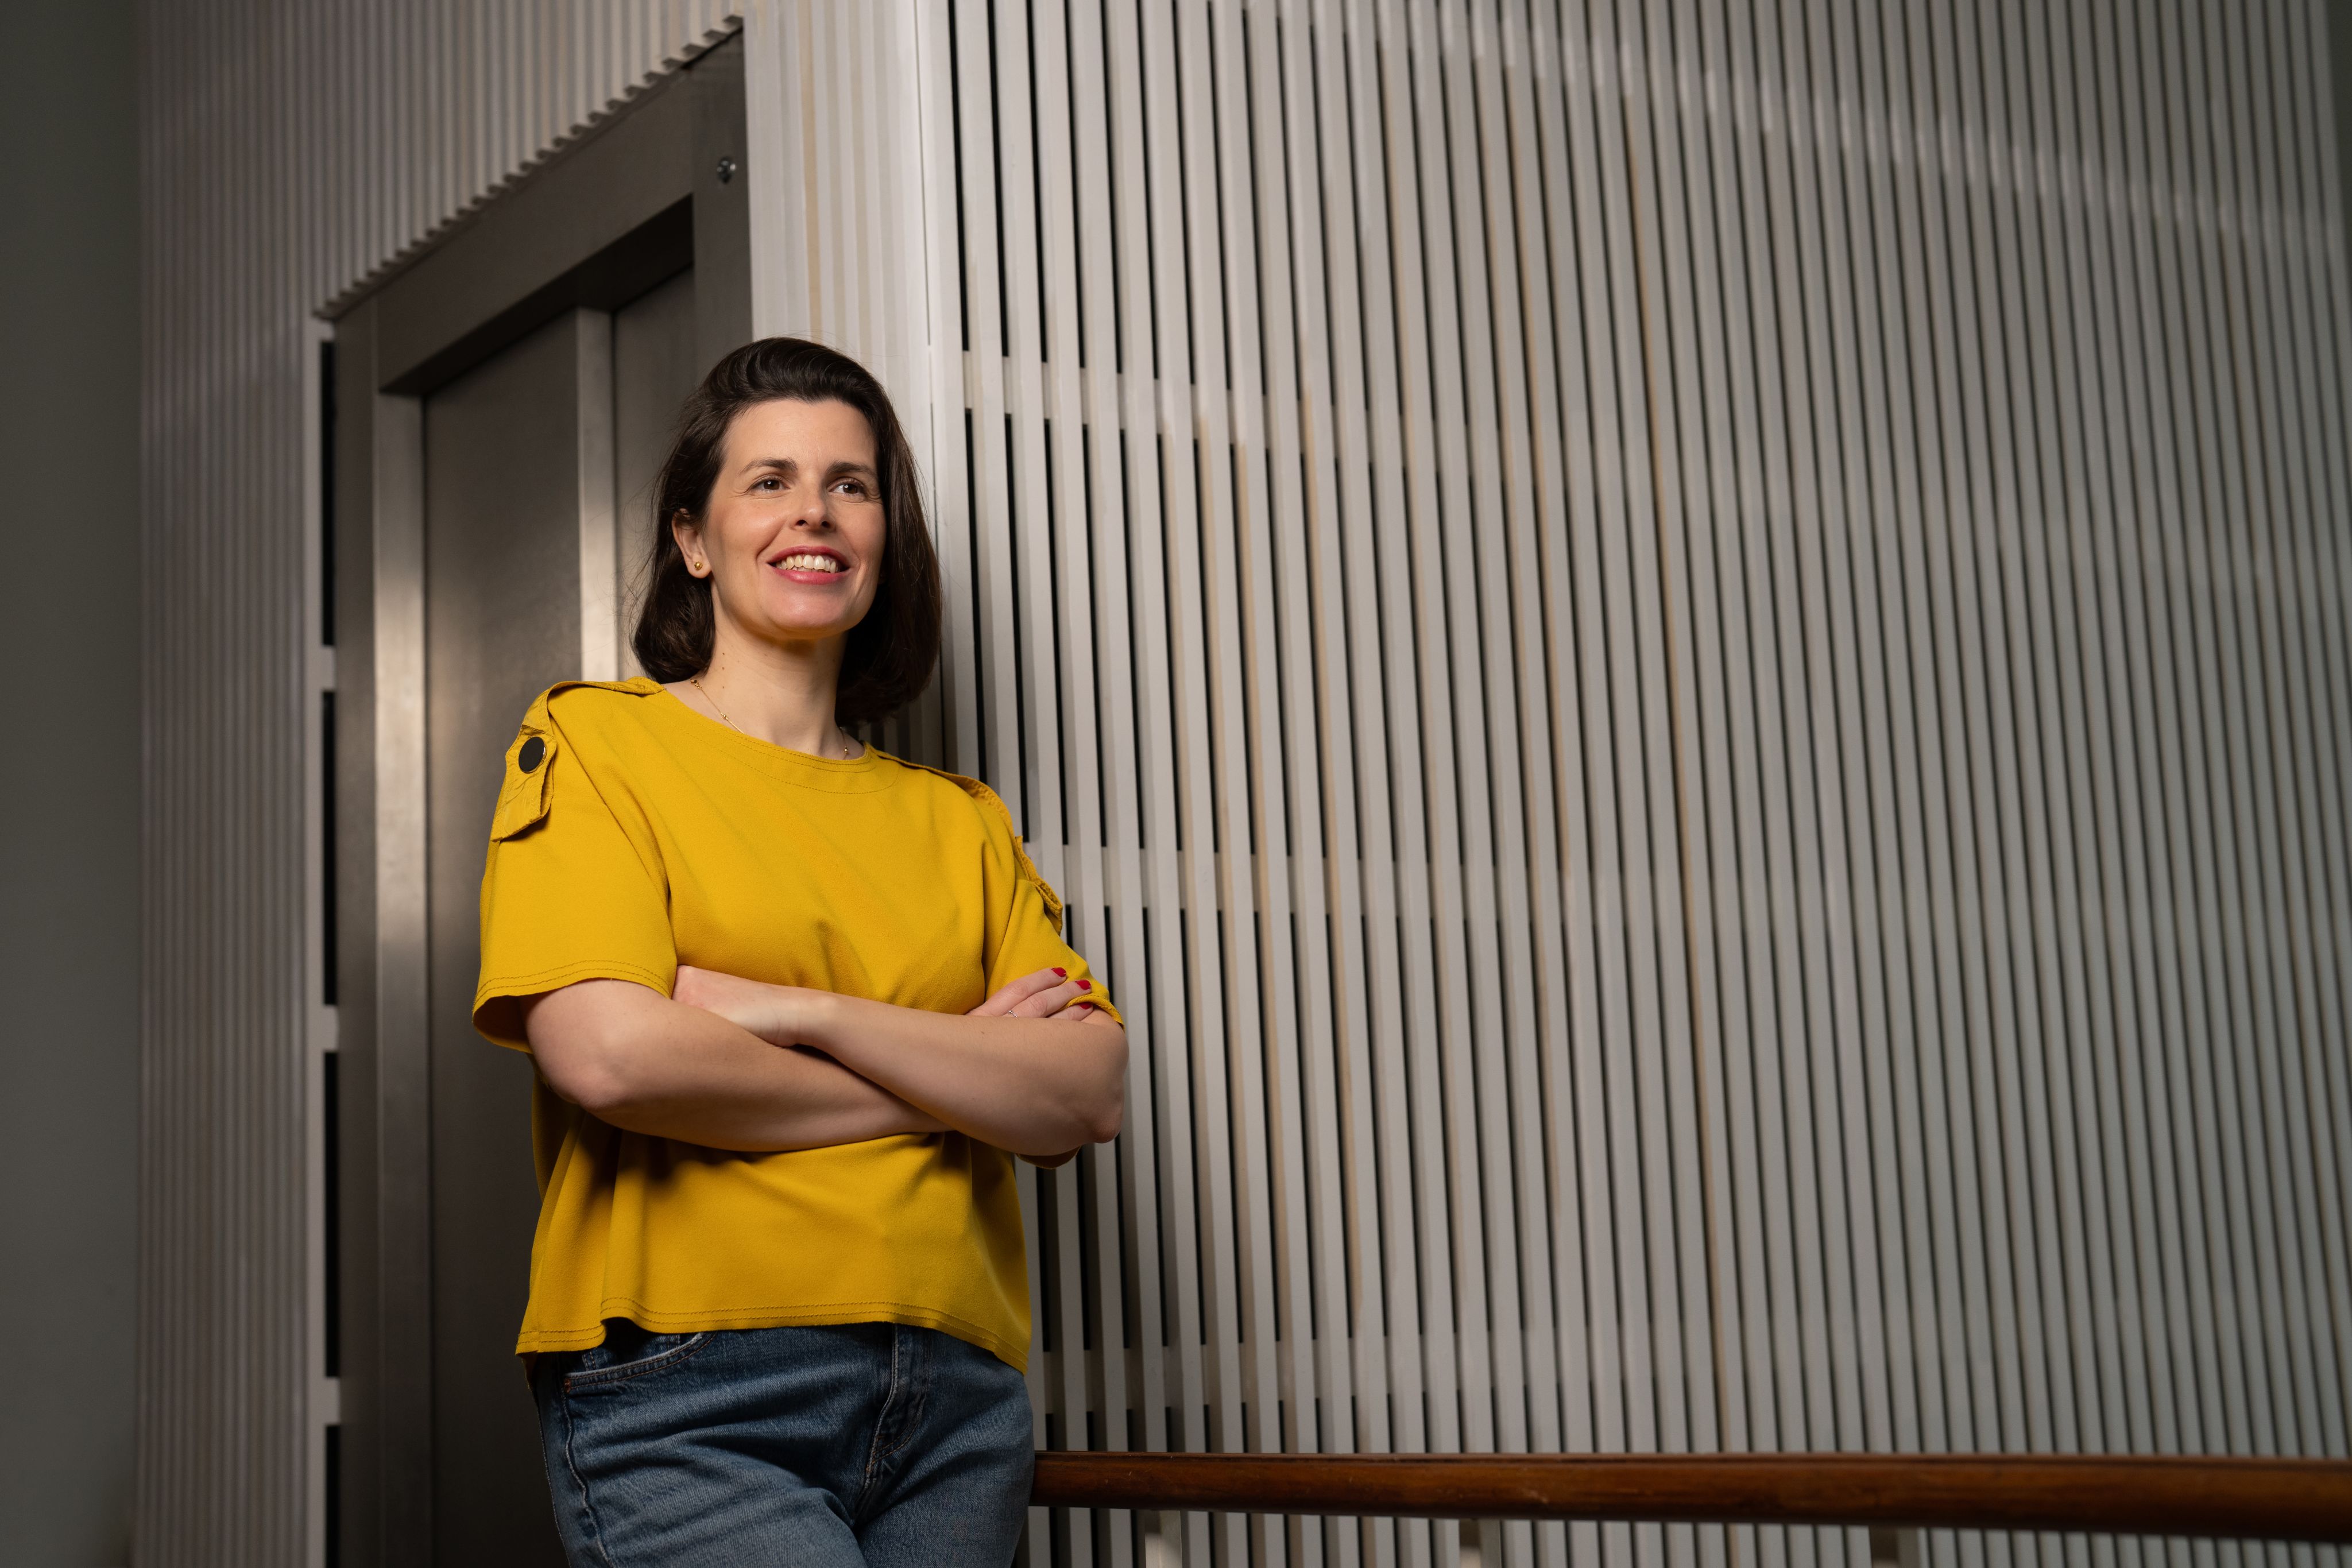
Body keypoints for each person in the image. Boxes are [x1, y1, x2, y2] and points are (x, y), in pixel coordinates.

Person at [470, 336, 1126, 1567]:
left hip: (956, 1400)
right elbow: (608, 1056)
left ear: (885, 534)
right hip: (693, 1389)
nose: (813, 513)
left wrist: (792, 1012)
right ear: (694, 540)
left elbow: (1083, 1091)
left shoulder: (961, 820)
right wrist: (954, 1078)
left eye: (851, 484)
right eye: (766, 481)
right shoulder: (597, 745)